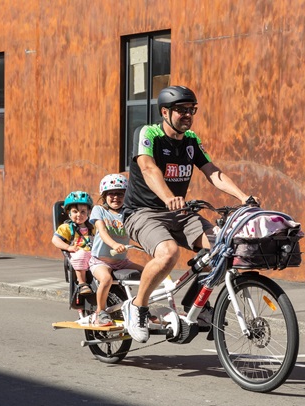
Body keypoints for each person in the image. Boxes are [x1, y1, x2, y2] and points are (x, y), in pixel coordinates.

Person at [121, 85, 258, 342]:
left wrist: (243, 197)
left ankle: (197, 302)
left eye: (191, 110)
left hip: (180, 212)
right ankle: (137, 307)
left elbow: (212, 172)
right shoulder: (148, 133)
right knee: (168, 253)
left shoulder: (192, 141)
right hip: (143, 212)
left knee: (223, 247)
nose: (187, 114)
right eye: (181, 110)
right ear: (165, 112)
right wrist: (168, 198)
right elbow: (149, 169)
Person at [86, 173, 145, 327]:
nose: (115, 197)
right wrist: (113, 245)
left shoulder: (128, 214)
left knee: (149, 273)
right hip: (100, 261)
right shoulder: (99, 210)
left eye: (119, 194)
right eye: (111, 193)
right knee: (106, 279)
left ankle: (141, 308)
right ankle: (100, 312)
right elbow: (102, 231)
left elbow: (138, 231)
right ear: (104, 196)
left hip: (121, 261)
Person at [52, 191, 95, 295]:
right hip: (77, 253)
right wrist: (68, 247)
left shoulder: (93, 227)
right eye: (75, 211)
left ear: (89, 212)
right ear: (69, 213)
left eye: (83, 212)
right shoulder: (66, 228)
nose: (79, 215)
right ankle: (82, 283)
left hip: (93, 254)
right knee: (81, 255)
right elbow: (55, 240)